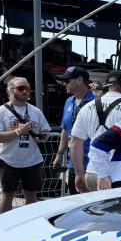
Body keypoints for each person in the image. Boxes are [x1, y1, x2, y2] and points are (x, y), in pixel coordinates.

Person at [70, 70, 121, 193]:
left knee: (93, 212)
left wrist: (79, 175)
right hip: (120, 176)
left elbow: (75, 143)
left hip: (92, 173)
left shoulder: (86, 108)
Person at [0, 77, 51, 213]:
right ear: (11, 90)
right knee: (7, 196)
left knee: (32, 196)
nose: (25, 91)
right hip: (9, 161)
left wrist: (43, 138)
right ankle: (4, 228)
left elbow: (46, 131)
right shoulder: (0, 112)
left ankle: (28, 226)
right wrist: (18, 131)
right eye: (21, 88)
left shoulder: (36, 111)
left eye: (27, 88)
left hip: (32, 160)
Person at [52, 67, 94, 195]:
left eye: (67, 80)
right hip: (74, 164)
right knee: (76, 203)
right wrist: (59, 154)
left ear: (80, 80)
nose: (64, 84)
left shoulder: (96, 101)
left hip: (93, 164)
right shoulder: (69, 101)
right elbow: (65, 129)